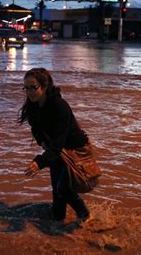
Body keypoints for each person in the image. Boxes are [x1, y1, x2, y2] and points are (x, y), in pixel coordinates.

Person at [19, 68, 91, 223]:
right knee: (57, 193)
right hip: (55, 151)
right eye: (26, 88)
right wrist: (42, 142)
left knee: (63, 189)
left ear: (44, 86)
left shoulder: (59, 106)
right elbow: (36, 129)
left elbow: (59, 143)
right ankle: (58, 221)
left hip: (74, 150)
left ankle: (85, 217)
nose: (29, 92)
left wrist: (39, 162)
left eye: (33, 87)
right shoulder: (33, 105)